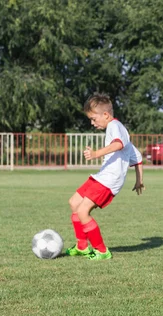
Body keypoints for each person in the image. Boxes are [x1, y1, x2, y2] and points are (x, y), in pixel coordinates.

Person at [64, 93, 144, 260]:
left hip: (109, 180)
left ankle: (101, 251)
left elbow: (118, 144)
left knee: (83, 211)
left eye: (94, 119)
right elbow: (137, 157)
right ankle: (82, 246)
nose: (92, 123)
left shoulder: (115, 126)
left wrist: (95, 154)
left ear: (106, 115)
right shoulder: (119, 130)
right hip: (101, 176)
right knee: (74, 202)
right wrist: (139, 180)